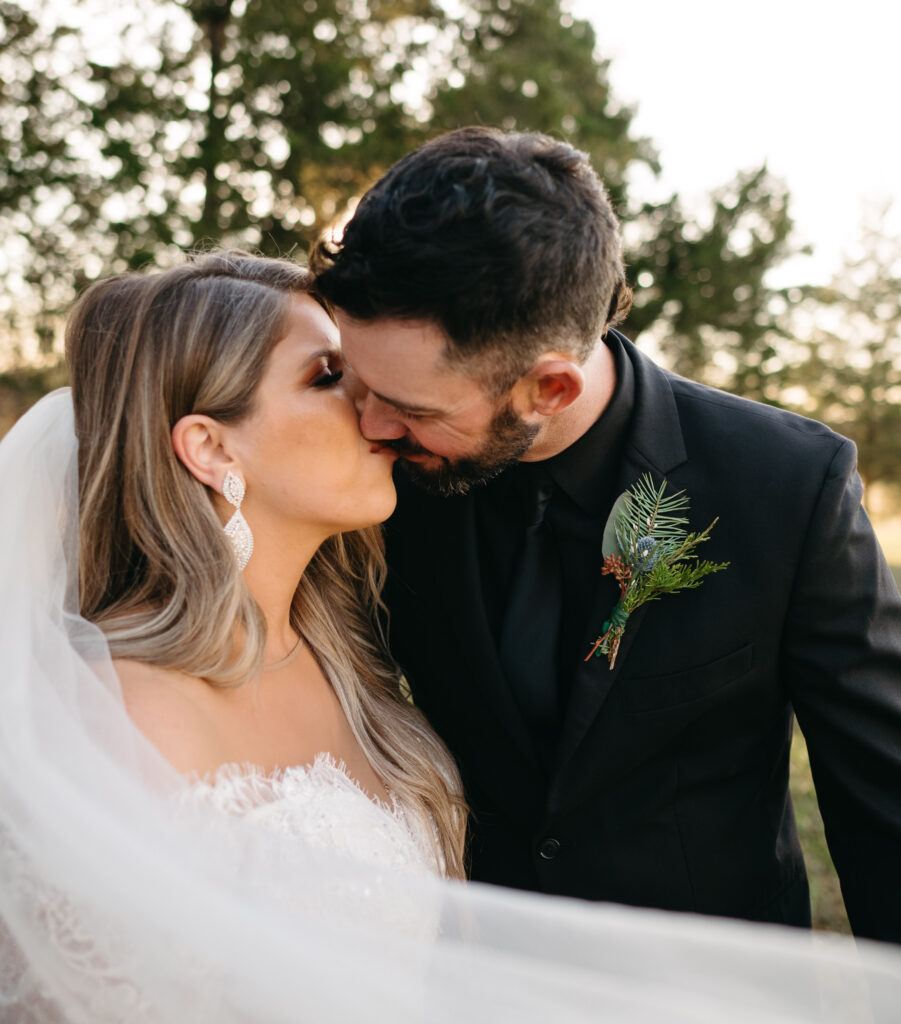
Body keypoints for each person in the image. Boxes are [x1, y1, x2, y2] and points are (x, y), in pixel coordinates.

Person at [2, 249, 901, 1022]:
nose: (376, 417)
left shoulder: (340, 654)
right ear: (209, 447)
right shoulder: (112, 711)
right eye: (330, 378)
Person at [311, 126, 901, 946]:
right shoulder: (369, 481)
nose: (370, 426)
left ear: (548, 385)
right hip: (466, 972)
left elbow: (883, 803)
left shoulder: (786, 486)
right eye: (357, 382)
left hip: (708, 990)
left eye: (411, 410)